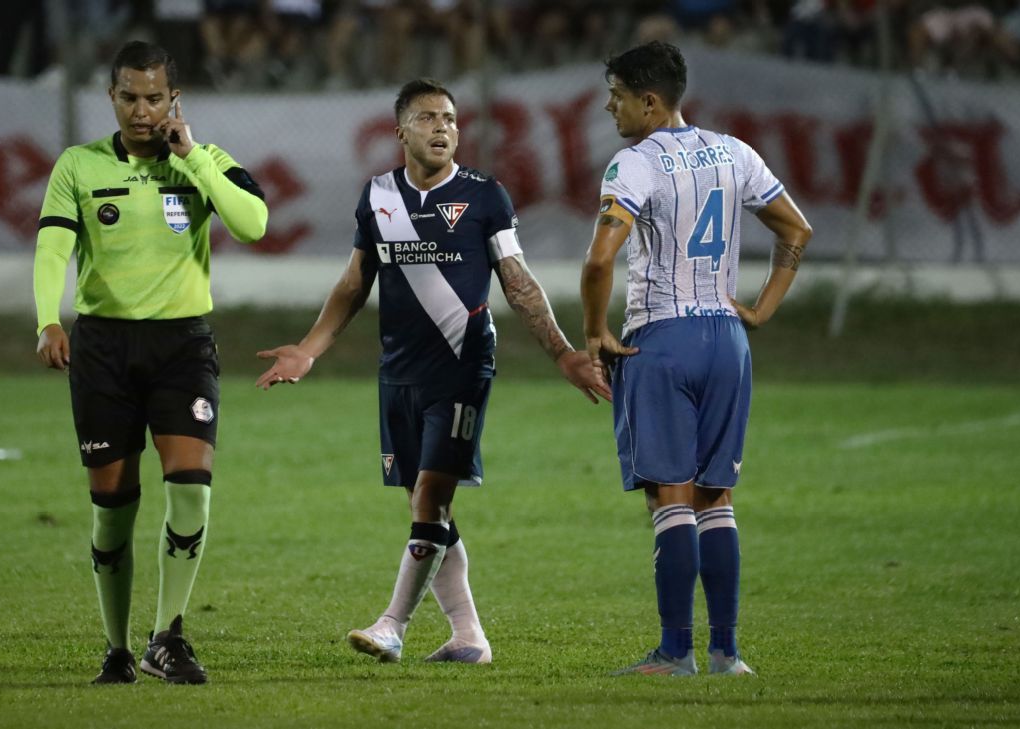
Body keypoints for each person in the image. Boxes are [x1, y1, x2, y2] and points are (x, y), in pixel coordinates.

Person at [257, 78, 609, 664]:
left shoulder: (484, 195)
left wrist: (563, 352)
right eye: (427, 118)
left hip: (462, 368)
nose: (442, 127)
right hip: (399, 372)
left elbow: (518, 283)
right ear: (400, 131)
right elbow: (354, 282)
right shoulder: (378, 196)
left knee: (429, 497)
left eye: (449, 118)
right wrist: (310, 349)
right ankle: (469, 636)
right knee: (429, 508)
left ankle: (392, 625)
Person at [33, 40, 268, 685]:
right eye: (130, 97)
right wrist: (47, 319)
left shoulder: (206, 160)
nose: (142, 111)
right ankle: (116, 649)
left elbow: (253, 224)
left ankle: (167, 636)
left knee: (191, 491)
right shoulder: (78, 166)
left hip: (182, 348)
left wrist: (193, 158)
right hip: (103, 350)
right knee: (112, 508)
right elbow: (52, 249)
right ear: (111, 97)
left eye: (155, 98)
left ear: (174, 100)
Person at [581, 41, 812, 676]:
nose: (610, 107)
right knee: (718, 497)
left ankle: (674, 651)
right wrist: (760, 310)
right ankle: (726, 653)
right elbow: (796, 230)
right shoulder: (735, 152)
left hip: (663, 338)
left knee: (671, 497)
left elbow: (599, 261)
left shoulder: (635, 164)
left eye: (617, 96)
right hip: (727, 342)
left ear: (649, 101)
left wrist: (595, 331)